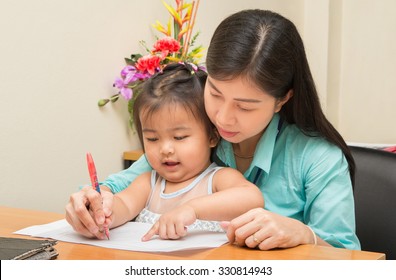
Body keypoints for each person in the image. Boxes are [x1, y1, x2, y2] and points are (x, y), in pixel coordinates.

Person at [66, 9, 360, 250]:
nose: (223, 117)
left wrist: (303, 235)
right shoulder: (192, 134)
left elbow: (349, 257)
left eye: (244, 106)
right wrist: (92, 202)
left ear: (283, 98)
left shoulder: (319, 158)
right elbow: (119, 189)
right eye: (216, 93)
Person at [67, 63, 264, 240]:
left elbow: (252, 198)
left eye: (179, 137)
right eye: (152, 139)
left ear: (212, 137)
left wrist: (192, 209)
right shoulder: (148, 183)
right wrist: (103, 213)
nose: (165, 149)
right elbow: (123, 206)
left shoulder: (218, 179)